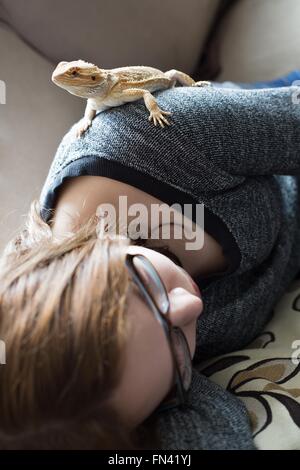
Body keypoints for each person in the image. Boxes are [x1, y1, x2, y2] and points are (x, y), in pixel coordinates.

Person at [0, 71, 300, 449]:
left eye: (147, 287)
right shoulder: (131, 380)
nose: (191, 307)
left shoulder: (150, 137)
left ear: (82, 262)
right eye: (178, 359)